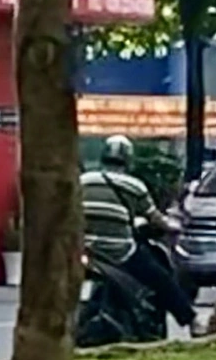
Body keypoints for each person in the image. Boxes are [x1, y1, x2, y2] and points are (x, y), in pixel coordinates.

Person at [76, 135, 201, 345]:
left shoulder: (84, 181)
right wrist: (173, 226)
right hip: (118, 252)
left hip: (85, 250)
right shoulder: (134, 186)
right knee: (161, 278)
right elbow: (157, 219)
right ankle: (192, 322)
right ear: (128, 160)